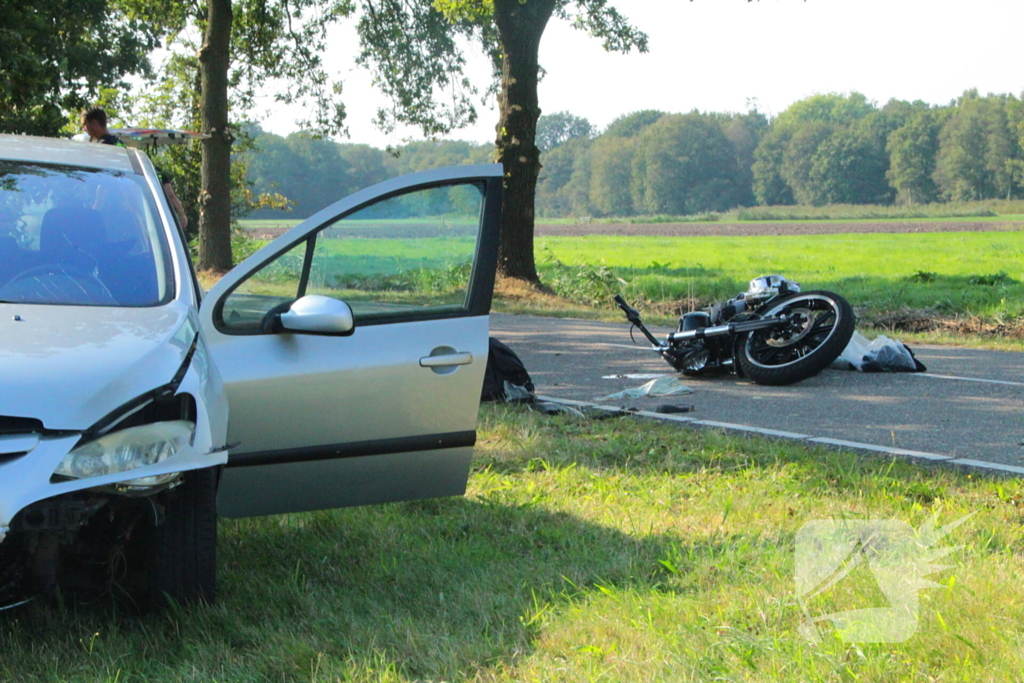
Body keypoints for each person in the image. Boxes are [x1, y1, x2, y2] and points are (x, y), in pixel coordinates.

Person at [81, 107, 189, 230]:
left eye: (85, 125)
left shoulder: (105, 147)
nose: (84, 129)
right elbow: (170, 194)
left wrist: (95, 209)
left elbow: (104, 181)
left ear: (94, 123)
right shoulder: (118, 142)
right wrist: (182, 214)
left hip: (122, 202)